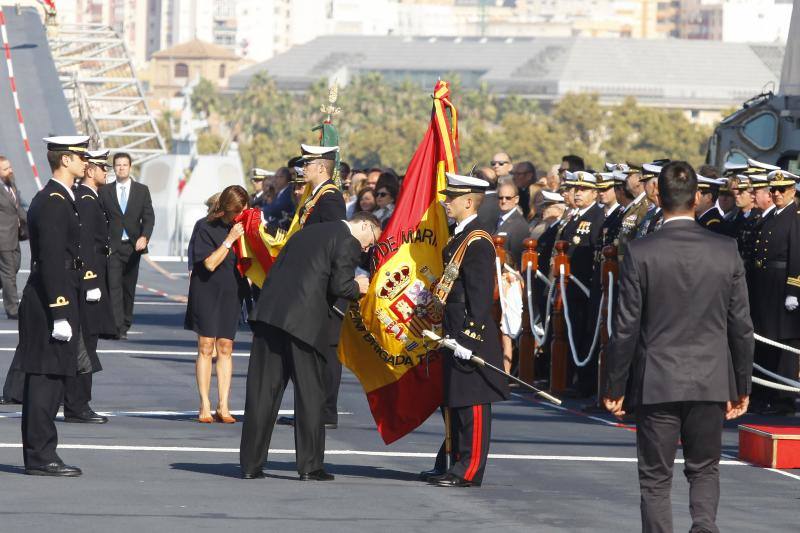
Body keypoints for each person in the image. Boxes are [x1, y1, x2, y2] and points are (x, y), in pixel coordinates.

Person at [603, 160, 753, 533]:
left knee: (655, 478)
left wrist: (615, 386)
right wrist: (741, 385)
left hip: (659, 379)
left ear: (659, 194)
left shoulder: (641, 252)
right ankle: (704, 527)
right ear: (697, 199)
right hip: (710, 376)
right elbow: (741, 326)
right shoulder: (725, 249)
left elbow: (625, 328)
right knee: (704, 468)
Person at [239, 213, 376, 480]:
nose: (367, 248)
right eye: (371, 241)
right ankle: (310, 465)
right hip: (304, 326)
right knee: (310, 395)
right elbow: (340, 285)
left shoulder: (303, 234)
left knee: (262, 394)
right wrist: (357, 286)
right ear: (365, 225)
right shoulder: (347, 239)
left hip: (270, 317)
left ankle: (250, 464)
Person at [422, 172, 509, 488]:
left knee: (471, 403)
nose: (446, 203)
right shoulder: (459, 236)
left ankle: (468, 469)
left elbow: (480, 294)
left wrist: (469, 336)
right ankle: (452, 462)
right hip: (452, 331)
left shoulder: (478, 240)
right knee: (453, 401)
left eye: (452, 198)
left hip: (469, 336)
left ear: (469, 201)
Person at [18, 136, 91, 476]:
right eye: (80, 156)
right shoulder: (52, 201)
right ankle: (40, 455)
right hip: (50, 300)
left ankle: (42, 451)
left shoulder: (63, 198)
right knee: (46, 379)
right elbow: (49, 260)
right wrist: (60, 311)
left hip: (61, 292)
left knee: (55, 377)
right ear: (65, 160)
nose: (85, 162)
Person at [278, 145, 347, 430]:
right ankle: (311, 407)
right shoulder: (315, 197)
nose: (302, 169)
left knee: (326, 351)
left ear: (321, 167)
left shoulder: (329, 199)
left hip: (323, 287)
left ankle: (326, 411)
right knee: (311, 348)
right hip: (311, 282)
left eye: (307, 164)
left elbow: (334, 244)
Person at [185, 185, 250, 424]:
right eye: (236, 210)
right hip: (207, 288)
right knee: (205, 345)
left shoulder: (244, 227)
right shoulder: (206, 226)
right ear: (226, 207)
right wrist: (230, 239)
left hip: (232, 290)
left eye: (243, 210)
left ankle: (224, 404)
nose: (239, 215)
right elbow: (210, 264)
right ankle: (205, 404)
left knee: (225, 347)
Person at [64, 149, 116, 424]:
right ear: (90, 171)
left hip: (94, 280)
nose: (106, 172)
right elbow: (84, 245)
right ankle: (77, 405)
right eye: (102, 168)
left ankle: (79, 402)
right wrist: (91, 280)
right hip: (89, 283)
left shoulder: (92, 198)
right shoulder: (85, 200)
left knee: (89, 341)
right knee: (85, 342)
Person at [749, 168, 800, 416]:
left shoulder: (795, 217)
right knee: (767, 342)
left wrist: (794, 289)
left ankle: (784, 399)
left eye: (782, 190)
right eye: (774, 190)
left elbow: (797, 256)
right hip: (767, 287)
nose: (777, 194)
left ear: (792, 191)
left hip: (783, 288)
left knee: (785, 347)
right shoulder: (772, 217)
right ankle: (764, 395)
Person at [100, 152, 155, 340]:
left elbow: (149, 217)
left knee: (128, 287)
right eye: (118, 165)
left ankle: (125, 322)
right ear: (113, 168)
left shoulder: (142, 190)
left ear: (130, 167)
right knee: (113, 285)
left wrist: (144, 237)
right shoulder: (105, 191)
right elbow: (100, 218)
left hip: (133, 247)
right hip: (113, 246)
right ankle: (116, 327)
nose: (121, 168)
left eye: (124, 165)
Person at [560, 171, 605, 397]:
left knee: (586, 333)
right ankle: (575, 378)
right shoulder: (576, 216)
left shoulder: (597, 216)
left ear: (595, 193)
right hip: (572, 284)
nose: (578, 193)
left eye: (583, 189)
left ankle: (585, 383)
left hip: (585, 286)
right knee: (574, 332)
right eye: (576, 189)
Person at [0, 156, 26, 320]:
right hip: (2, 237)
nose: (10, 170)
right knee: (9, 274)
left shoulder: (10, 183)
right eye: (5, 169)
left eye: (9, 167)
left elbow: (18, 207)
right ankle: (13, 308)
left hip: (15, 236)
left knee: (13, 268)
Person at [495, 177, 529, 268]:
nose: (504, 201)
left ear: (516, 199)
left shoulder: (520, 225)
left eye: (508, 198)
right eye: (500, 197)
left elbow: (516, 258)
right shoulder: (496, 220)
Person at [261, 167, 294, 231]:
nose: (274, 180)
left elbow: (278, 207)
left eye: (276, 177)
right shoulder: (279, 193)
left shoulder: (288, 191)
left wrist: (261, 210)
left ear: (283, 178)